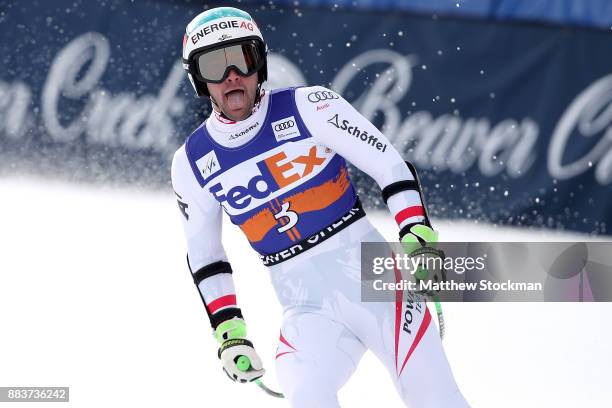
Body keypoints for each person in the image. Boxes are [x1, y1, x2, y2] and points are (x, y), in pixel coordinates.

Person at [173, 6, 469, 407]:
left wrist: (416, 232)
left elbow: (390, 166)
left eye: (242, 58)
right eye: (214, 65)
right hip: (307, 309)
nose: (231, 76)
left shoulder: (311, 105)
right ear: (197, 80)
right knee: (307, 395)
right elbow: (205, 255)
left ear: (260, 62)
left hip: (382, 284)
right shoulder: (190, 162)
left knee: (437, 400)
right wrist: (230, 331)